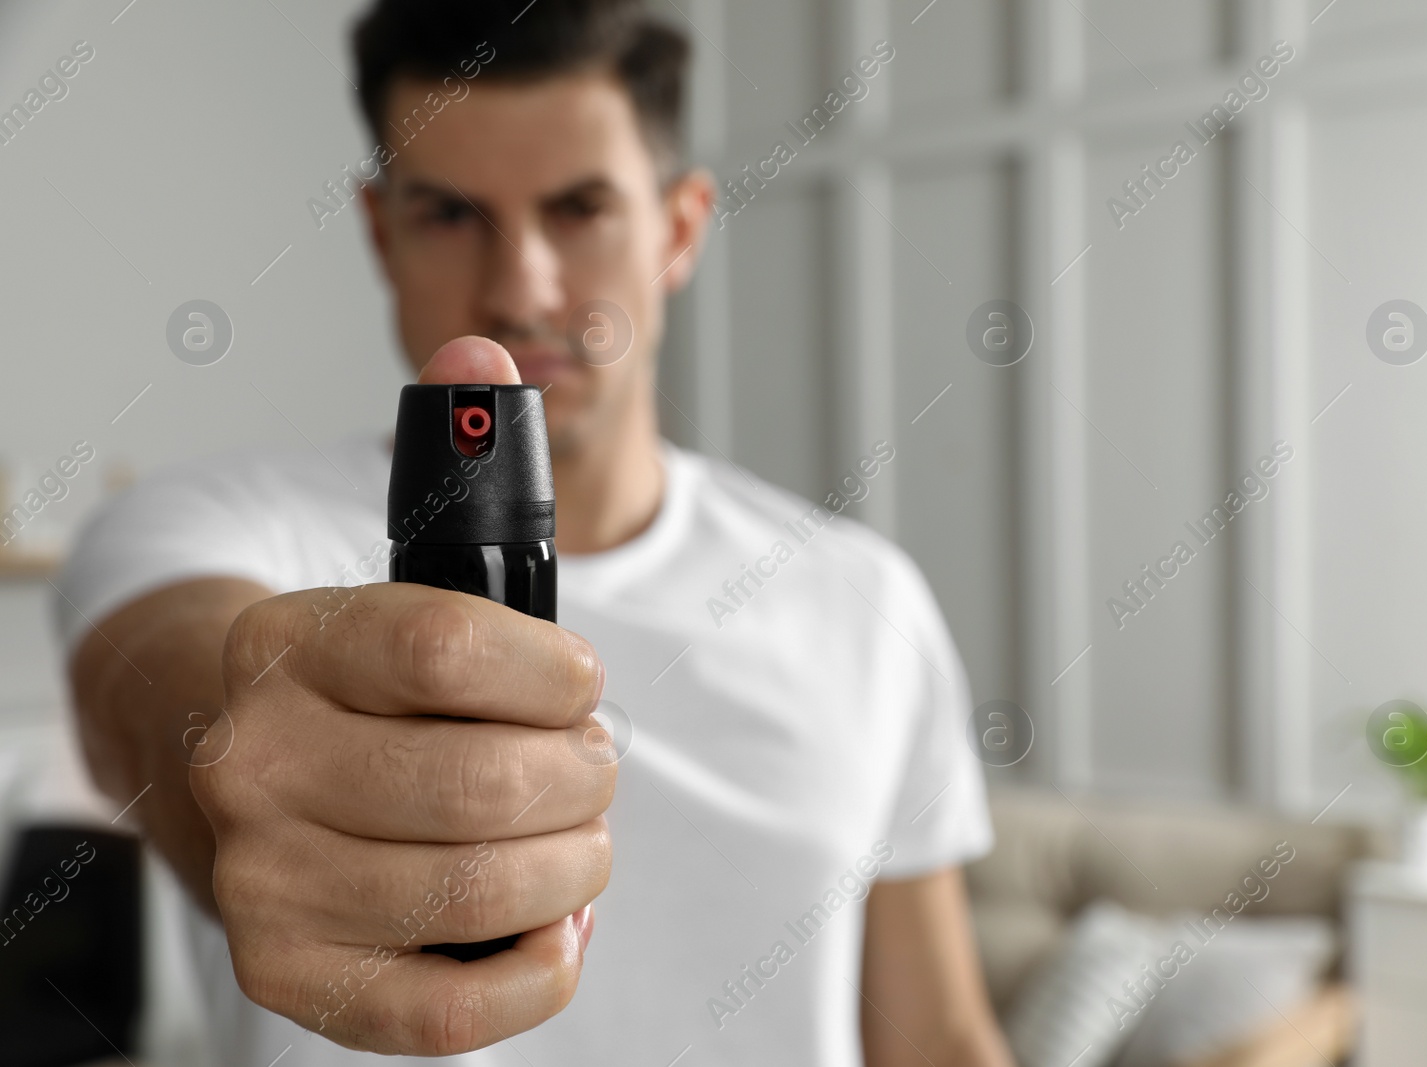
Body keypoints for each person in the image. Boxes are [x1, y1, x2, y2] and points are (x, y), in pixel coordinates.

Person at [57, 1, 1011, 1063]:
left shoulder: (861, 594)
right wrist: (234, 778)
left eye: (580, 209)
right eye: (452, 215)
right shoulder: (196, 524)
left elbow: (937, 1037)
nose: (521, 289)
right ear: (381, 231)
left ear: (680, 229)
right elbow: (165, 689)